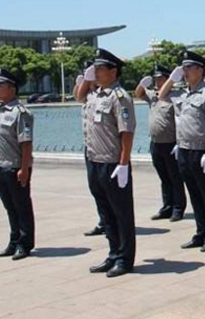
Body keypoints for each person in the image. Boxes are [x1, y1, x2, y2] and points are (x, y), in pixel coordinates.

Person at [77, 48, 137, 277]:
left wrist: (123, 164)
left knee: (121, 213)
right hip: (94, 160)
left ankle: (125, 258)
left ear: (113, 71)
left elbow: (127, 132)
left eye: (100, 68)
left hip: (113, 163)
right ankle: (113, 253)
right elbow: (79, 96)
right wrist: (87, 77)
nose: (96, 72)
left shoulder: (119, 97)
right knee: (106, 212)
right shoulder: (95, 95)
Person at [158, 50, 205, 252]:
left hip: (200, 151)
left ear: (200, 70)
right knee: (194, 195)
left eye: (188, 68)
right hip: (183, 150)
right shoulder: (182, 93)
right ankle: (200, 232)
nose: (185, 72)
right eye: (183, 68)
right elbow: (161, 95)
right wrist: (173, 77)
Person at [135, 64, 186, 222]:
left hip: (171, 143)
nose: (157, 82)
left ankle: (178, 208)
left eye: (160, 79)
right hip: (156, 143)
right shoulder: (153, 96)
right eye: (156, 79)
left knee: (175, 178)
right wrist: (142, 84)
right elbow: (138, 94)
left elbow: (181, 121)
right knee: (164, 178)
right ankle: (167, 206)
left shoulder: (176, 95)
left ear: (168, 79)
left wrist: (179, 142)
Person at [0, 69, 35, 260]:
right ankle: (14, 241)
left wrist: (24, 168)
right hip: (0, 166)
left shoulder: (20, 112)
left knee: (21, 206)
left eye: (0, 85)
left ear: (11, 88)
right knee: (9, 207)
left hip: (15, 166)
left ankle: (25, 243)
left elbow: (26, 143)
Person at [74, 60, 106, 237]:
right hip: (90, 148)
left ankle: (110, 221)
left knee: (107, 190)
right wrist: (83, 81)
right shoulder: (89, 94)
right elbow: (78, 96)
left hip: (104, 152)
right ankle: (104, 220)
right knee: (95, 187)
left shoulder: (105, 94)